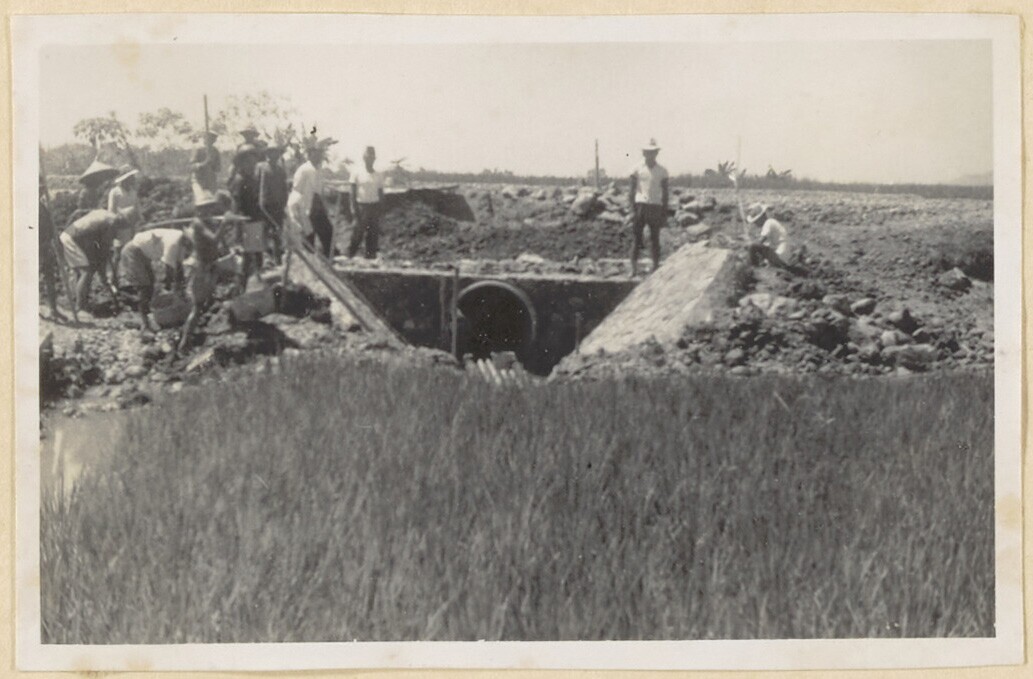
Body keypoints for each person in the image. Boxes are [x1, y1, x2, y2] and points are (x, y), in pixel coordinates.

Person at [179, 193, 229, 351]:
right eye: (204, 208)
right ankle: (184, 342)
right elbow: (214, 240)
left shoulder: (210, 222)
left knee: (206, 301)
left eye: (210, 208)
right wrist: (225, 223)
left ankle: (199, 329)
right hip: (200, 267)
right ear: (198, 210)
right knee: (197, 307)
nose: (208, 211)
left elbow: (219, 244)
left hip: (210, 264)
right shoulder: (198, 223)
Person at [119, 227, 190, 331]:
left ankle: (150, 316)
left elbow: (178, 266)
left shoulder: (182, 241)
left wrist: (180, 286)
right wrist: (174, 289)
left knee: (150, 283)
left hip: (144, 253)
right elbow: (169, 270)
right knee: (144, 287)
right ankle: (145, 325)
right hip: (133, 251)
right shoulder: (174, 243)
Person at [59, 209, 124, 312]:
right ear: (122, 221)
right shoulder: (112, 222)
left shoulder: (106, 214)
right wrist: (104, 273)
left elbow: (98, 242)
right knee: (87, 272)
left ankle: (79, 300)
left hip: (71, 235)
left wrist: (101, 264)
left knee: (82, 271)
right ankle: (80, 306)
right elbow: (104, 247)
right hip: (74, 238)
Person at [286, 135, 336, 257]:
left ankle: (329, 257)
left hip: (314, 205)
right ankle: (309, 260)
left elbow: (319, 191)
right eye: (316, 153)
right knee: (308, 234)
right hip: (303, 205)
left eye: (320, 153)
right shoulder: (305, 169)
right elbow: (298, 191)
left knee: (327, 231)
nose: (319, 156)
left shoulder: (318, 170)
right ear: (310, 154)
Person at [628, 138, 670, 276]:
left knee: (655, 239)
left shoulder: (662, 171)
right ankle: (633, 269)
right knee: (637, 238)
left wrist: (664, 212)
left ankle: (655, 267)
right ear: (643, 153)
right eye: (647, 152)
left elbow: (665, 193)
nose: (650, 155)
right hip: (640, 205)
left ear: (656, 153)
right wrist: (631, 210)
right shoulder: (636, 169)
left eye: (653, 152)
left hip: (655, 206)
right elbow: (631, 191)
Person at [347, 145, 386, 259]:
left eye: (372, 157)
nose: (370, 159)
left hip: (374, 206)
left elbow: (381, 192)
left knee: (373, 233)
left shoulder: (378, 175)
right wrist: (353, 208)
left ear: (374, 159)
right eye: (368, 157)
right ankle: (350, 255)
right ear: (364, 158)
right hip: (361, 207)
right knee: (357, 231)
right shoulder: (356, 173)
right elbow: (352, 192)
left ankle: (370, 256)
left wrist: (381, 209)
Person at [107, 165, 143, 283]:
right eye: (130, 177)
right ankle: (113, 278)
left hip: (132, 224)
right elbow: (111, 210)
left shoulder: (133, 192)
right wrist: (119, 217)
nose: (132, 179)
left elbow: (137, 206)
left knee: (132, 250)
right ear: (125, 179)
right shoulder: (115, 192)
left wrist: (140, 218)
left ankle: (130, 275)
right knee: (119, 251)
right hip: (120, 224)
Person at [256, 144, 288, 263]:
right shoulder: (261, 167)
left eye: (276, 153)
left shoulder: (281, 170)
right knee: (263, 231)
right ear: (267, 154)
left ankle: (277, 258)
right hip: (264, 205)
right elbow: (256, 184)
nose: (273, 155)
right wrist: (257, 201)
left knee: (277, 232)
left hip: (278, 205)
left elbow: (284, 188)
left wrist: (284, 204)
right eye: (271, 152)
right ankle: (263, 260)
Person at [38, 188, 65, 320]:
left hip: (46, 246)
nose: (41, 193)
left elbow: (51, 226)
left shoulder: (43, 206)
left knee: (49, 277)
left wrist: (56, 240)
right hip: (38, 247)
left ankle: (53, 309)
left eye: (42, 191)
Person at [745, 203, 793, 270]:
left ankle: (754, 267)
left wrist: (749, 248)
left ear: (762, 217)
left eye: (756, 221)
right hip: (784, 255)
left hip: (780, 256)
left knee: (752, 246)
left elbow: (760, 241)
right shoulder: (771, 222)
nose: (755, 224)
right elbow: (767, 245)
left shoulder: (768, 222)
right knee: (758, 249)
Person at [191, 131, 221, 205]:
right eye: (209, 138)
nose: (211, 141)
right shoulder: (198, 149)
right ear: (205, 138)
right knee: (200, 201)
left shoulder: (215, 151)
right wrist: (204, 163)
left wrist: (213, 164)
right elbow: (192, 166)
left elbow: (218, 168)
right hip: (199, 180)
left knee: (212, 202)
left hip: (211, 181)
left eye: (213, 139)